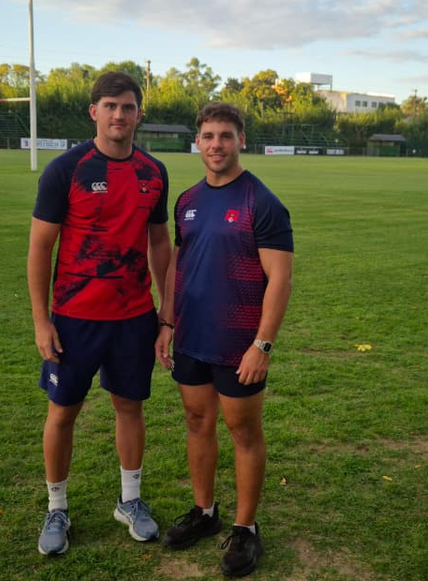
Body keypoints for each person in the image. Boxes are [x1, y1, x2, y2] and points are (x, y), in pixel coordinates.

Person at [27, 71, 171, 556]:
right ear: (94, 112)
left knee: (130, 407)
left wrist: (165, 311)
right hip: (74, 318)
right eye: (110, 106)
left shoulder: (153, 172)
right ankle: (56, 508)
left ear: (138, 114)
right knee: (63, 411)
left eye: (127, 107)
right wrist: (41, 321)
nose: (119, 115)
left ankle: (129, 501)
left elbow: (159, 242)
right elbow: (40, 248)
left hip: (133, 317)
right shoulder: (65, 169)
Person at [155, 102, 293, 577]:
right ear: (198, 141)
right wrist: (167, 322)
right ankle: (205, 511)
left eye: (226, 136)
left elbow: (280, 280)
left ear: (241, 140)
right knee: (197, 421)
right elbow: (178, 263)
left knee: (243, 432)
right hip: (192, 336)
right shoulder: (187, 200)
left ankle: (246, 528)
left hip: (239, 344)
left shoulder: (261, 201)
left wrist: (262, 345)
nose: (216, 145)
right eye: (209, 136)